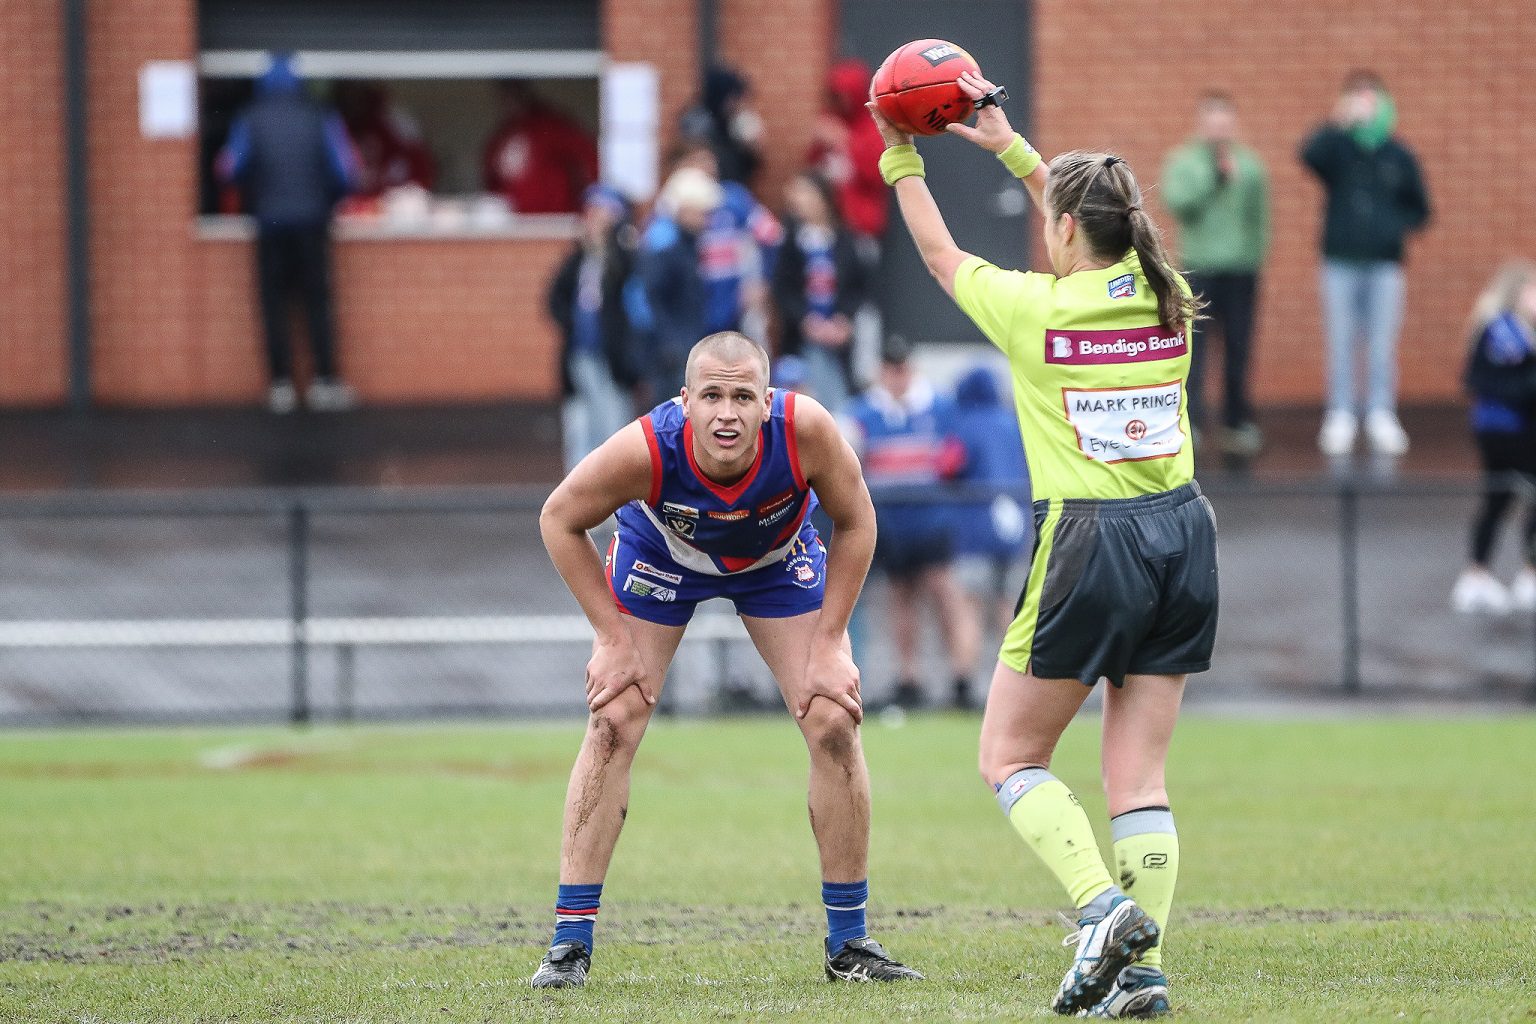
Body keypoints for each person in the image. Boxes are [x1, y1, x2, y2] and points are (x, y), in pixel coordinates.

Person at [871, 69, 1217, 1018]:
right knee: (1138, 775)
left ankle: (1102, 909)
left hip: (1089, 544)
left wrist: (902, 153)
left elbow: (941, 258)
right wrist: (1020, 153)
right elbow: (1095, 229)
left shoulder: (1037, 313)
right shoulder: (1168, 296)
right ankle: (1141, 976)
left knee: (1010, 758)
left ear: (1063, 229)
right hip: (1183, 536)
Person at [532, 331, 923, 988]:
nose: (727, 413)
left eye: (743, 396)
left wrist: (830, 641)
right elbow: (557, 518)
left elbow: (858, 521)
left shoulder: (807, 432)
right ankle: (569, 946)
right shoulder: (646, 448)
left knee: (834, 718)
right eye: (712, 395)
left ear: (767, 403)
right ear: (686, 401)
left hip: (775, 561)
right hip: (661, 557)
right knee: (614, 718)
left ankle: (849, 944)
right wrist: (609, 637)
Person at [217, 54, 359, 414]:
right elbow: (346, 171)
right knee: (317, 303)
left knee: (273, 304)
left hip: (270, 223)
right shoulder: (319, 116)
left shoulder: (250, 117)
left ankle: (280, 384)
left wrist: (254, 191)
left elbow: (229, 168)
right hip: (312, 221)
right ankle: (324, 382)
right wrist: (329, 200)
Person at [1301, 70, 1431, 457]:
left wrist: (1392, 227)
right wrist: (1337, 122)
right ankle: (1341, 411)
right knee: (1340, 339)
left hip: (1385, 265)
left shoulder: (1399, 155)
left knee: (1381, 341)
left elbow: (1420, 209)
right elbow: (1308, 155)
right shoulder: (1338, 149)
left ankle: (1380, 411)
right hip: (1339, 263)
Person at [845, 338, 979, 710]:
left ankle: (962, 677)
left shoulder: (940, 407)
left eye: (902, 368)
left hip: (934, 520)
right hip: (891, 524)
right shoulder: (863, 413)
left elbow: (958, 458)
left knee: (945, 594)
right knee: (901, 600)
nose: (897, 376)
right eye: (890, 368)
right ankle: (909, 679)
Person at [1162, 91, 1270, 456]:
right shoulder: (1184, 162)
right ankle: (1190, 421)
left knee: (1239, 347)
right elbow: (1178, 203)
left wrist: (1255, 257)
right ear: (1201, 123)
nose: (1219, 129)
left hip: (1240, 270)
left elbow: (1259, 217)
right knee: (1194, 349)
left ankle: (1235, 421)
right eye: (1213, 122)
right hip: (1199, 269)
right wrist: (1215, 180)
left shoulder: (1250, 166)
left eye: (1226, 122)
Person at [1451, 260, 1536, 615]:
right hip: (1507, 430)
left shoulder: (1515, 331)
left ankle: (1482, 574)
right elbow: (1485, 379)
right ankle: (1513, 575)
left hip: (1508, 428)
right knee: (1513, 496)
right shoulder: (1504, 332)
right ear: (1517, 292)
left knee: (1499, 500)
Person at [546, 185, 640, 471]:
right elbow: (555, 297)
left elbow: (628, 282)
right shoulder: (578, 258)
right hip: (580, 352)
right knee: (581, 427)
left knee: (612, 425)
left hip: (611, 357)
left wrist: (613, 242)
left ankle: (615, 501)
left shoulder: (624, 253)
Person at [773, 170, 867, 412]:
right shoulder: (790, 241)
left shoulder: (845, 239)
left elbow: (858, 286)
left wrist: (844, 320)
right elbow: (782, 288)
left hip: (838, 340)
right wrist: (805, 320)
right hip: (801, 338)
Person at [949, 364, 1031, 633]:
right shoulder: (1012, 422)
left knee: (969, 604)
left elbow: (948, 466)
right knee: (1010, 605)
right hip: (1016, 527)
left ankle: (964, 676)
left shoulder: (966, 424)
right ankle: (1013, 673)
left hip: (976, 529)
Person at [636, 167, 724, 403]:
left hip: (680, 345)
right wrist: (670, 343)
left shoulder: (683, 241)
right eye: (702, 212)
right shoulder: (664, 243)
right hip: (670, 352)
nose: (707, 220)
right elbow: (651, 297)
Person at [806, 59, 890, 244]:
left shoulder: (873, 126)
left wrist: (845, 141)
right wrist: (818, 142)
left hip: (859, 224)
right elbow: (812, 168)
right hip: (827, 223)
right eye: (836, 95)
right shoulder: (830, 119)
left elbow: (878, 174)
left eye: (845, 95)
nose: (841, 101)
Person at [482, 81, 597, 214]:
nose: (510, 99)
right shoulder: (502, 136)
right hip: (516, 224)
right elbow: (491, 179)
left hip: (555, 219)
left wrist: (592, 205)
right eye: (506, 94)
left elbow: (589, 157)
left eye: (515, 92)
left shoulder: (551, 125)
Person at [334, 81, 435, 202]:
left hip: (396, 201)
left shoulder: (393, 118)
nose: (352, 100)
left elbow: (419, 167)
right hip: (359, 203)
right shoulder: (337, 124)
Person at [680, 66, 764, 186]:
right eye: (735, 98)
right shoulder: (699, 123)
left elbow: (749, 163)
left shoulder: (732, 121)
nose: (739, 104)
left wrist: (751, 149)